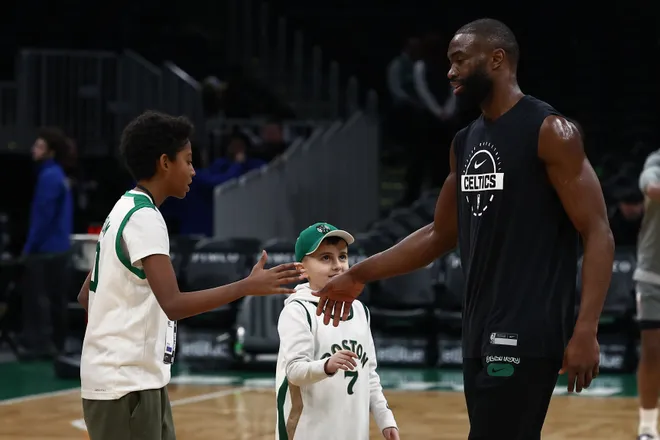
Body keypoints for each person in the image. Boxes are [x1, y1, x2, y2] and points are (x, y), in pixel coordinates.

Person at [314, 18, 615, 440]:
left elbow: (598, 231)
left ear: (496, 59)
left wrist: (586, 329)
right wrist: (360, 273)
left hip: (528, 325)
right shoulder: (465, 141)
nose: (450, 72)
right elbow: (439, 233)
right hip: (477, 324)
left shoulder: (549, 131)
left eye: (459, 60)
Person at [77, 110, 306, 440]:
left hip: (132, 380)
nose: (194, 171)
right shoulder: (145, 219)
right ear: (164, 163)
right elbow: (173, 304)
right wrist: (247, 285)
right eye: (188, 160)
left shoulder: (123, 209)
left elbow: (87, 296)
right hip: (125, 386)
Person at [275, 222, 399, 440]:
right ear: (302, 269)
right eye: (325, 258)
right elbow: (294, 371)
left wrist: (385, 419)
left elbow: (369, 374)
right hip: (308, 432)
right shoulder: (297, 311)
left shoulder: (360, 311)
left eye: (342, 257)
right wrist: (327, 365)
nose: (338, 266)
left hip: (353, 431)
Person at [18, 126, 74, 359]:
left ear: (50, 152)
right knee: (56, 299)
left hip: (46, 251)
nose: (34, 149)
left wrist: (28, 249)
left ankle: (40, 346)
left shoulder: (48, 177)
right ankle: (58, 344)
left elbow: (42, 218)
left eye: (39, 146)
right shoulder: (59, 175)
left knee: (38, 300)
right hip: (60, 249)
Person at [635, 149, 660, 440]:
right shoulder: (654, 162)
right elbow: (652, 187)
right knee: (652, 351)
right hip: (652, 275)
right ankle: (647, 426)